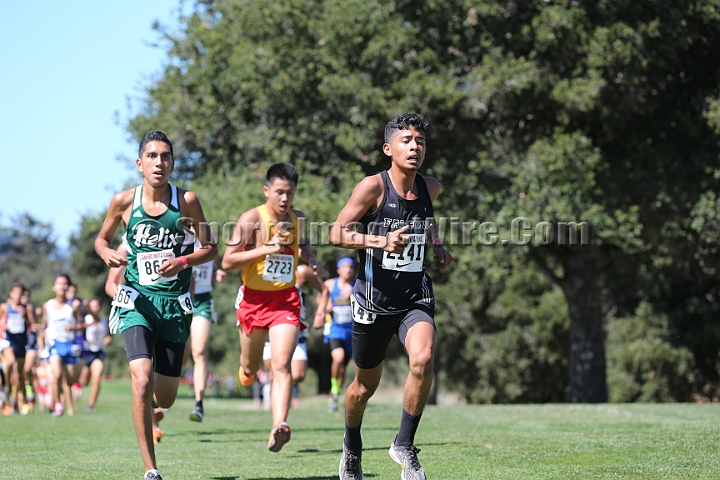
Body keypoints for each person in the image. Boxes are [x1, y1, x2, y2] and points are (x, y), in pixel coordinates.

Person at [329, 113, 453, 480]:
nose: (415, 147)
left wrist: (438, 246)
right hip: (373, 302)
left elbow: (427, 219)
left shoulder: (431, 188)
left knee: (424, 357)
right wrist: (379, 241)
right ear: (388, 149)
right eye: (406, 140)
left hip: (414, 296)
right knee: (363, 387)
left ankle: (404, 445)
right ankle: (352, 446)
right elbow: (337, 233)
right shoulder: (373, 188)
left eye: (420, 141)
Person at [95, 130, 217, 480]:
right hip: (136, 300)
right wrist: (106, 253)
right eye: (152, 156)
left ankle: (150, 405)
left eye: (165, 156)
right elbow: (101, 239)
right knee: (141, 377)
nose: (159, 162)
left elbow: (210, 247)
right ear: (139, 164)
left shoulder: (187, 201)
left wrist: (182, 262)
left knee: (164, 397)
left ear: (173, 163)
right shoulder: (123, 201)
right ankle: (151, 469)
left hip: (173, 305)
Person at [222, 163, 325, 452]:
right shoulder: (252, 219)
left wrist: (311, 259)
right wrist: (266, 248)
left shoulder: (297, 218)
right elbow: (228, 261)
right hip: (253, 301)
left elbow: (302, 247)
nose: (284, 199)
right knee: (251, 367)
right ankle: (247, 370)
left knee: (281, 364)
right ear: (267, 190)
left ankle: (279, 425)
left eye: (289, 193)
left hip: (285, 300)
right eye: (279, 192)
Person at [263, 262, 328, 409]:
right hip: (270, 328)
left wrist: (320, 313)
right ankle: (278, 414)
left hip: (295, 329)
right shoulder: (262, 267)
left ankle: (284, 391)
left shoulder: (301, 271)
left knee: (298, 375)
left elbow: (324, 290)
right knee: (274, 373)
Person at [188, 241, 226, 422]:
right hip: (180, 297)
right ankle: (164, 393)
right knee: (178, 351)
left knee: (199, 352)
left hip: (202, 301)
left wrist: (217, 273)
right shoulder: (178, 239)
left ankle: (199, 403)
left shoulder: (210, 243)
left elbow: (212, 267)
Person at [315, 257, 356, 413]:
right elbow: (320, 298)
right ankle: (333, 388)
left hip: (351, 331)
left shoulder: (357, 285)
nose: (348, 269)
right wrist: (326, 306)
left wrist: (352, 298)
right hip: (335, 329)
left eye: (351, 267)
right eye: (345, 266)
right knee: (337, 358)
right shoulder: (330, 284)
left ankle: (336, 394)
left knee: (343, 369)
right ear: (338, 270)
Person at [41, 274, 85, 417]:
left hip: (69, 345)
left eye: (65, 283)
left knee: (70, 380)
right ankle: (58, 405)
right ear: (54, 287)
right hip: (54, 344)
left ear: (68, 287)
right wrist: (42, 335)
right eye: (59, 283)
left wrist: (72, 328)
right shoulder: (47, 305)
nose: (62, 286)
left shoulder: (73, 305)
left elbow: (81, 325)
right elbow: (44, 325)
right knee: (56, 374)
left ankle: (66, 404)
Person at [0, 283, 32, 414]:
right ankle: (6, 387)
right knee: (10, 362)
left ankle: (15, 398)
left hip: (21, 344)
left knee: (19, 375)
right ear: (11, 294)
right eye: (15, 292)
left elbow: (31, 325)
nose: (18, 295)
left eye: (20, 293)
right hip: (8, 342)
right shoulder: (4, 307)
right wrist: (3, 325)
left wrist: (24, 316)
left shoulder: (26, 308)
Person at [80, 298, 112, 412]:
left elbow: (109, 334)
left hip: (98, 352)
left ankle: (91, 405)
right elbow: (80, 328)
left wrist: (109, 338)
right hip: (86, 352)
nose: (95, 308)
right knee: (85, 381)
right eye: (92, 306)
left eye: (97, 306)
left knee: (97, 378)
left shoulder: (103, 321)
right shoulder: (87, 318)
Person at [21, 287, 39, 410]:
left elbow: (34, 325)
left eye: (27, 296)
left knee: (27, 369)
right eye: (23, 296)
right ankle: (22, 401)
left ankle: (29, 388)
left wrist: (27, 315)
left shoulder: (31, 309)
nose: (25, 299)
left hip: (31, 344)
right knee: (18, 374)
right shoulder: (10, 308)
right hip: (18, 344)